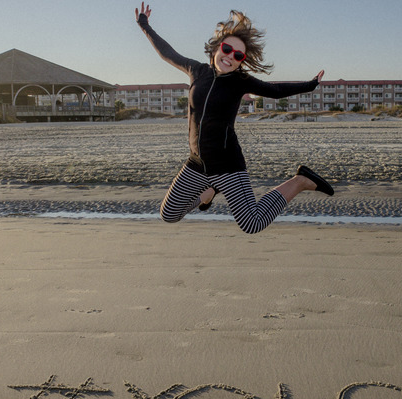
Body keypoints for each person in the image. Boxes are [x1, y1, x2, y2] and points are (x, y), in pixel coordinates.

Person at [136, 3, 334, 234]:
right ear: (217, 48)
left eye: (238, 55)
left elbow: (276, 89)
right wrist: (144, 25)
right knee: (169, 214)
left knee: (252, 224)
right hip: (197, 163)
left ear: (242, 61)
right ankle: (208, 192)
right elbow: (166, 52)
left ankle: (300, 180)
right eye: (227, 49)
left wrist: (311, 85)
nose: (230, 56)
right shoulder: (196, 71)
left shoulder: (241, 82)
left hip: (227, 166)